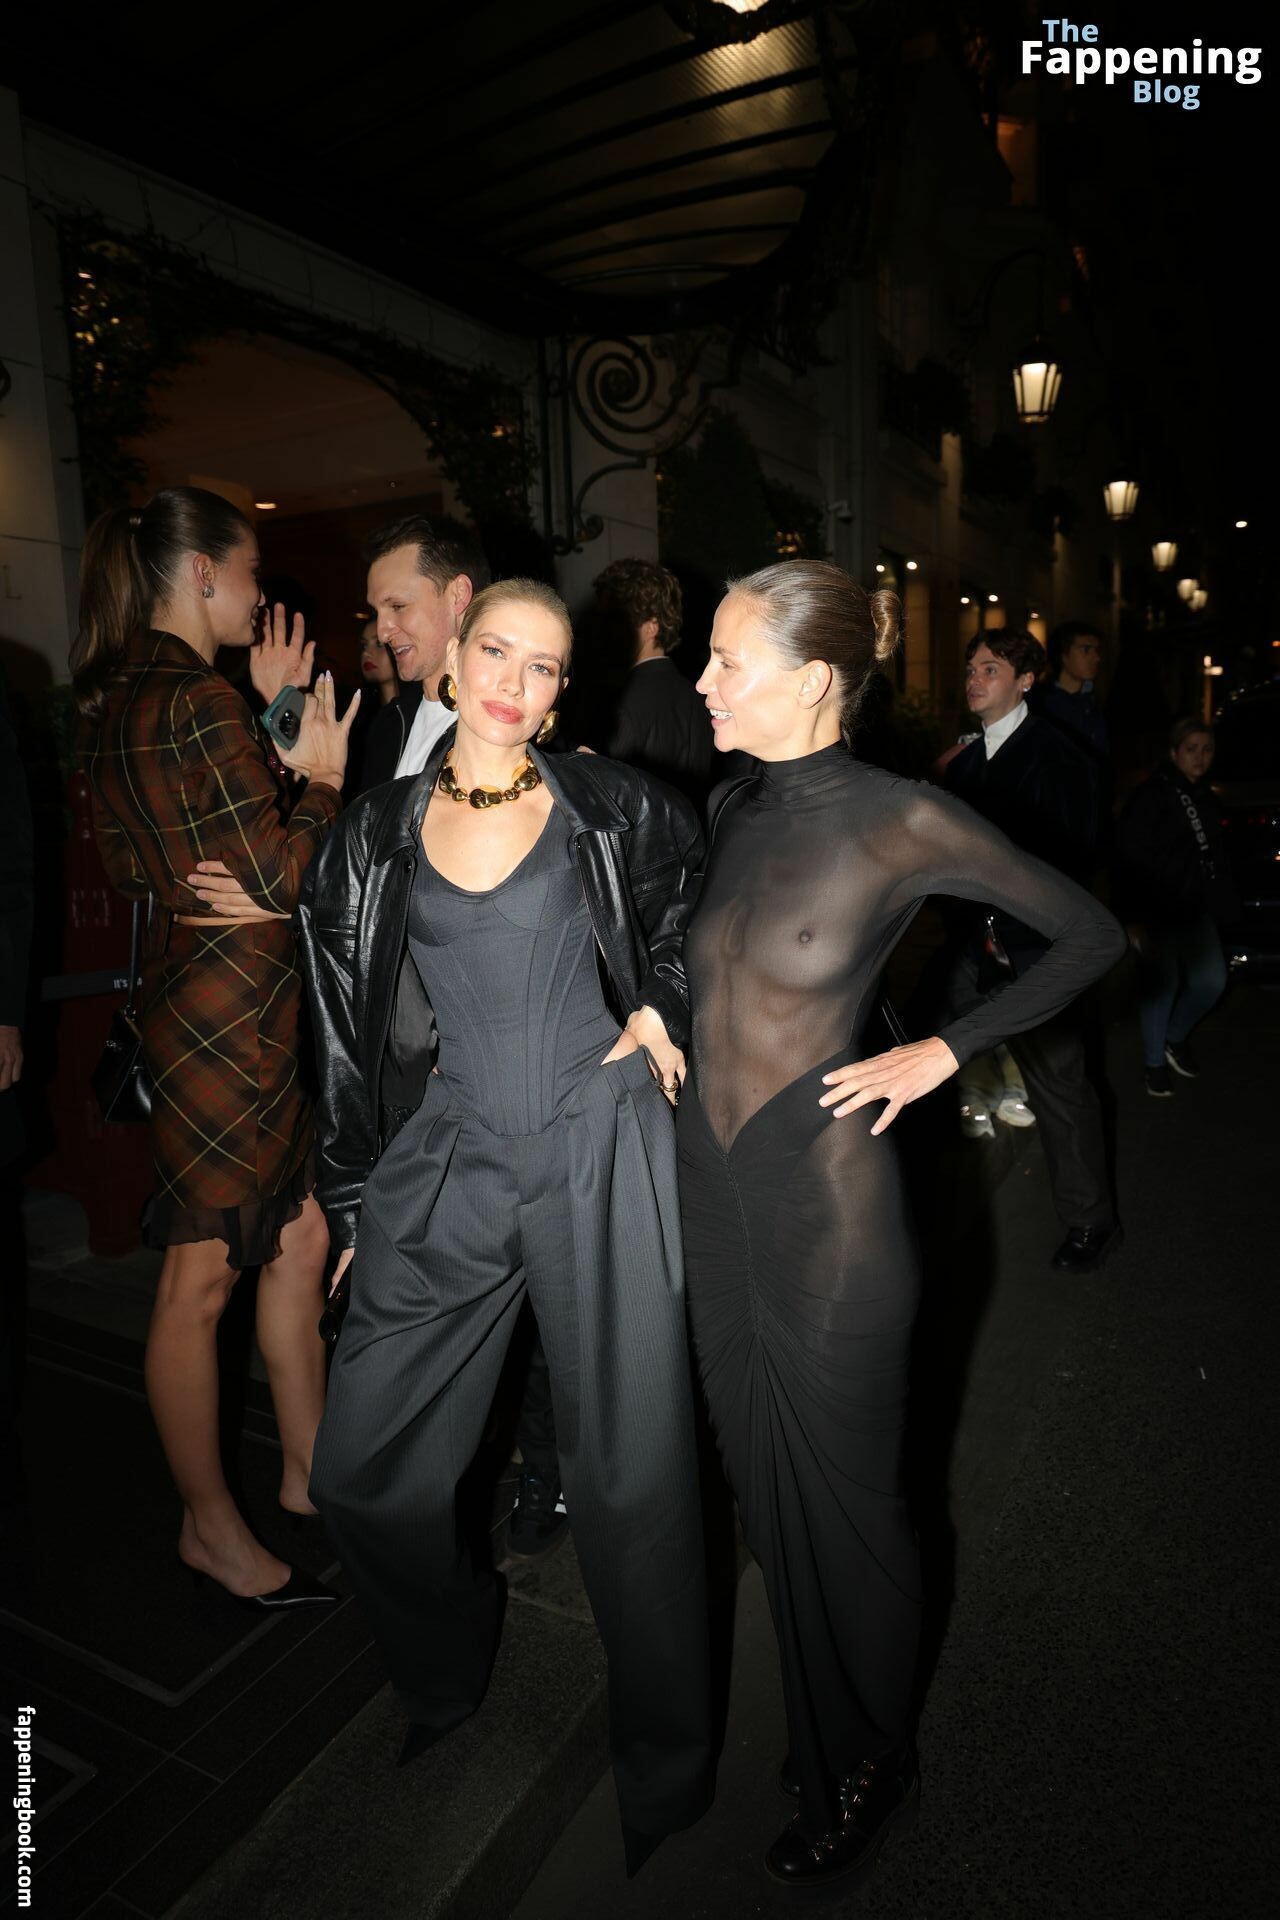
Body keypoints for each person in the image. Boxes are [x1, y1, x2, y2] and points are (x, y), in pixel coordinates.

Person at [677, 562, 1124, 1887]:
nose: (703, 683)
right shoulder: (731, 803)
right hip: (712, 1202)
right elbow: (714, 976)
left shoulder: (905, 818)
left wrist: (947, 1049)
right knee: (767, 1493)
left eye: (727, 661)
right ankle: (826, 1715)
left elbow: (1089, 935)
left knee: (855, 1511)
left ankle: (872, 1756)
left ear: (814, 678)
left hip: (826, 1208)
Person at [295, 578, 711, 1874]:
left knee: (633, 1479)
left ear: (563, 689)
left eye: (543, 666)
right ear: (453, 662)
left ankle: (664, 1769)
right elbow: (339, 1032)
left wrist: (661, 1001)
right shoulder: (372, 835)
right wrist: (353, 1197)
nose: (513, 684)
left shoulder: (612, 803)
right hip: (453, 1153)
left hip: (600, 1140)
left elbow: (696, 895)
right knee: (361, 1468)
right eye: (496, 653)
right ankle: (441, 1667)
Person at [74, 485, 358, 1608]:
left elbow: (173, 859)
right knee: (199, 1282)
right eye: (246, 570)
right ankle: (210, 1528)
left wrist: (276, 722)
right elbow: (286, 869)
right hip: (229, 1023)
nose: (257, 589)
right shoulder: (196, 699)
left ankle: (309, 1473)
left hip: (205, 1003)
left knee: (297, 1237)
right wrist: (323, 776)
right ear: (200, 574)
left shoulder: (120, 695)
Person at [942, 629, 1121, 1272]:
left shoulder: (1058, 758)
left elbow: (1074, 859)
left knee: (1061, 1091)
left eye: (990, 668)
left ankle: (1089, 1222)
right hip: (976, 945)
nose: (974, 678)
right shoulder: (964, 765)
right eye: (971, 668)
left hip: (1041, 951)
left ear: (1025, 681)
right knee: (918, 1040)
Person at [1115, 718, 1234, 1096]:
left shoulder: (1205, 796)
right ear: (1173, 752)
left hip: (1195, 910)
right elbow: (1129, 856)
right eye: (1191, 749)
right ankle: (1154, 1064)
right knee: (1161, 987)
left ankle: (1174, 1037)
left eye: (1207, 749)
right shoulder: (1152, 796)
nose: (1200, 757)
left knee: (1211, 981)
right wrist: (1132, 915)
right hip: (1157, 909)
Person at [356, 515, 490, 792]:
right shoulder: (388, 725)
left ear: (458, 595)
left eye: (398, 606)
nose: (382, 632)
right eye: (377, 611)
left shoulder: (503, 729)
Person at [592, 558, 713, 804]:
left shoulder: (623, 701)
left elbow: (601, 796)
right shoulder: (699, 696)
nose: (602, 632)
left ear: (651, 628)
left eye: (615, 621)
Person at [1036, 619, 1109, 760]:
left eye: (1096, 650)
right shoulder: (1044, 705)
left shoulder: (1092, 701)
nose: (1096, 658)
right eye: (1086, 650)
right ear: (1064, 655)